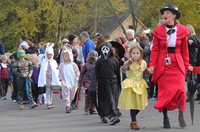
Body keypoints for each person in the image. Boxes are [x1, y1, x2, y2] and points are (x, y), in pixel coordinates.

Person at [147, 4, 192, 129]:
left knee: (181, 91)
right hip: (163, 64)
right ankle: (165, 117)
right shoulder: (158, 32)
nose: (164, 15)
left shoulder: (182, 30)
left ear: (174, 15)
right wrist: (152, 65)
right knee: (165, 92)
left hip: (177, 64)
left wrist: (187, 65)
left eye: (167, 13)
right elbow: (155, 50)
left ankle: (181, 115)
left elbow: (185, 51)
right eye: (164, 13)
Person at [118, 44, 148, 130]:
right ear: (130, 54)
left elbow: (145, 72)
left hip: (140, 84)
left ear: (140, 54)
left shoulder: (143, 62)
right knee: (133, 105)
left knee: (140, 105)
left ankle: (133, 120)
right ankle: (134, 122)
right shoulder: (129, 63)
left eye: (137, 53)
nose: (135, 55)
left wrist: (149, 71)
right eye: (133, 53)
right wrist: (129, 62)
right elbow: (123, 68)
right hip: (131, 85)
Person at [95, 42, 121, 125]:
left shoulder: (114, 60)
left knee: (112, 99)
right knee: (103, 100)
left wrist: (119, 84)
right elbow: (96, 73)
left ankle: (112, 115)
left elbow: (117, 73)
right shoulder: (99, 61)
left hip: (113, 82)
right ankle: (103, 115)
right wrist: (94, 83)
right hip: (102, 83)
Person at [38, 43, 61, 109]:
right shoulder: (44, 62)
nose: (49, 56)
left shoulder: (53, 62)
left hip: (52, 78)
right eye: (48, 55)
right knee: (47, 89)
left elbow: (56, 70)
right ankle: (48, 102)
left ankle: (50, 101)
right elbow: (42, 71)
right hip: (47, 78)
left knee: (51, 90)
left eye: (50, 55)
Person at [58, 48, 80, 113]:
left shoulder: (73, 65)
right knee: (66, 93)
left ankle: (69, 103)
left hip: (73, 81)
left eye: (66, 56)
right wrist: (61, 80)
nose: (65, 57)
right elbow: (60, 73)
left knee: (72, 94)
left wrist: (77, 79)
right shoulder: (61, 65)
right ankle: (67, 105)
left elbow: (77, 73)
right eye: (63, 56)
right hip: (65, 82)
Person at [78, 50, 98, 115]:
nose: (93, 57)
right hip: (87, 81)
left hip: (95, 82)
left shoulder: (97, 65)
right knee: (88, 93)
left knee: (94, 94)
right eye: (92, 55)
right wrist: (79, 83)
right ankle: (87, 108)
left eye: (94, 56)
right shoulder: (86, 65)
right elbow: (81, 74)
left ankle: (92, 107)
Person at [185, 24, 200, 101]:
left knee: (190, 78)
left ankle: (191, 94)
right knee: (195, 78)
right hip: (195, 60)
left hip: (191, 60)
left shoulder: (190, 38)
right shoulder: (196, 38)